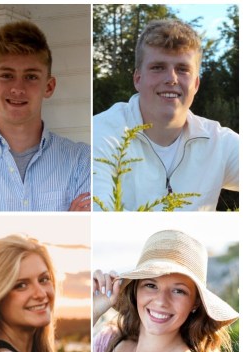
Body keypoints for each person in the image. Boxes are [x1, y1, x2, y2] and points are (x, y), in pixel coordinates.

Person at [92, 230, 238, 352]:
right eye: (151, 285)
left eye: (179, 291)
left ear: (195, 303)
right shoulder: (107, 341)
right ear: (135, 291)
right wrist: (92, 312)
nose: (161, 301)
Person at [93, 19, 239, 211]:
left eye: (182, 69)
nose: (171, 79)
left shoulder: (219, 143)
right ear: (138, 79)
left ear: (195, 84)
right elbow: (102, 221)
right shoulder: (101, 134)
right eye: (158, 67)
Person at [0, 21, 90, 212]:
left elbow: (85, 236)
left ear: (49, 86)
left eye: (30, 77)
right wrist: (66, 225)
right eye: (6, 75)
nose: (18, 89)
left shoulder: (82, 161)